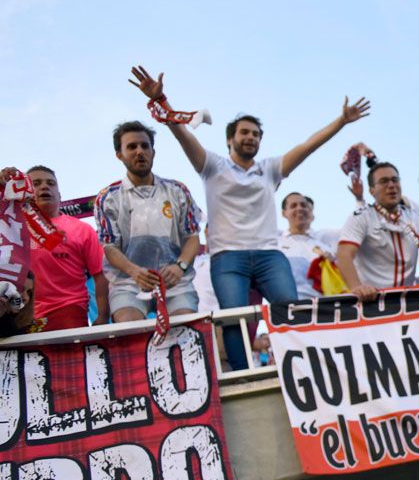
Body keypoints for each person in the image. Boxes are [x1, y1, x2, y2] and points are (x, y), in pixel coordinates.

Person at [129, 65, 370, 369]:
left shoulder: (269, 169)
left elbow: (308, 146)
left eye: (256, 134)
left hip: (269, 255)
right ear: (230, 139)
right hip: (229, 257)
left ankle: (306, 368)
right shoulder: (212, 165)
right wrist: (161, 100)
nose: (251, 138)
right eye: (244, 132)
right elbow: (182, 133)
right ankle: (244, 373)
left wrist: (341, 121)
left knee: (291, 310)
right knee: (235, 317)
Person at [95, 121, 202, 322]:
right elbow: (109, 247)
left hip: (176, 283)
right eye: (131, 147)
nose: (139, 151)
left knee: (185, 328)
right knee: (129, 329)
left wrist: (180, 267)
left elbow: (193, 237)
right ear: (119, 154)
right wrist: (134, 272)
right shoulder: (108, 197)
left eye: (145, 146)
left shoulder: (178, 190)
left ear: (153, 151)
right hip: (127, 284)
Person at [337, 161, 419, 300]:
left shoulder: (414, 218)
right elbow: (344, 254)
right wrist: (357, 287)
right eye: (384, 181)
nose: (391, 185)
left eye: (395, 180)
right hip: (370, 301)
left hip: (406, 300)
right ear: (372, 191)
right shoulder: (361, 217)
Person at [27, 166, 110, 330]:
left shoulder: (82, 230)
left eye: (51, 183)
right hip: (23, 315)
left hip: (69, 310)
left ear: (59, 195)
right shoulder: (14, 229)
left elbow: (101, 275)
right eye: (36, 183)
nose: (44, 186)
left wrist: (102, 316)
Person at [277, 192, 341, 300]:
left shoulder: (325, 249)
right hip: (285, 309)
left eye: (303, 205)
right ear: (284, 213)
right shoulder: (275, 245)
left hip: (322, 309)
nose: (300, 209)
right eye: (293, 206)